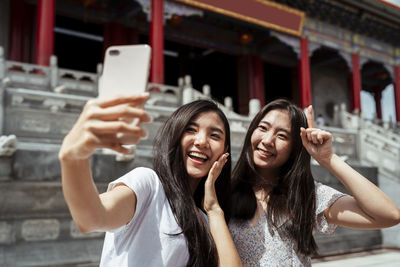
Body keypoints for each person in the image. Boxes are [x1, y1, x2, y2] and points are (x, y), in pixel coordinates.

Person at [59, 94, 242, 267]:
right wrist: (73, 158)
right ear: (175, 135)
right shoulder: (149, 185)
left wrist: (213, 209)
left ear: (225, 150)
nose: (202, 141)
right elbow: (92, 217)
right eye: (191, 130)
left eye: (215, 135)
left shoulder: (207, 219)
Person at [229, 98, 400, 266]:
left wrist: (328, 159)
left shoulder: (305, 195)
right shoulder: (225, 191)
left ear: (295, 147)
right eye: (263, 128)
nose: (267, 140)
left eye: (282, 135)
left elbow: (389, 215)